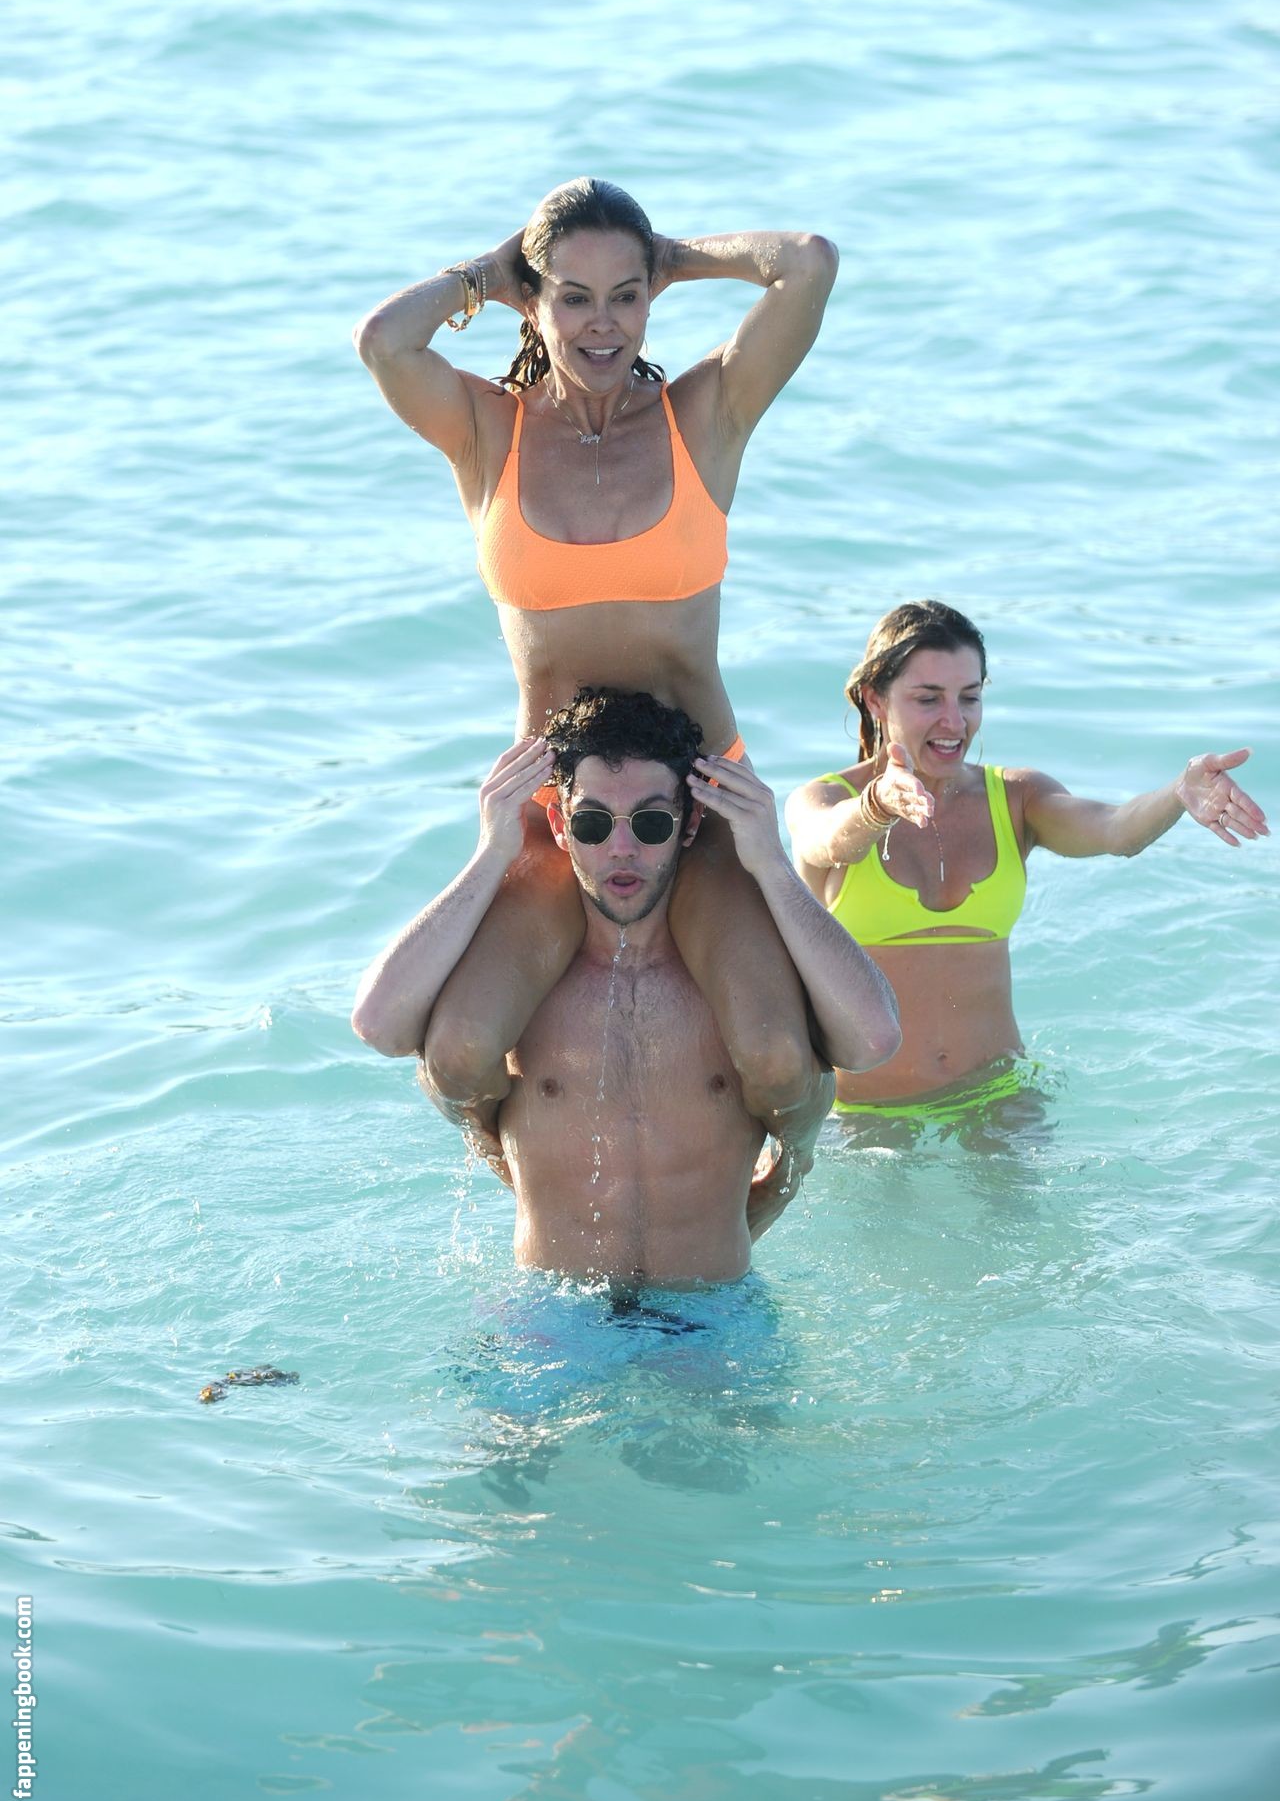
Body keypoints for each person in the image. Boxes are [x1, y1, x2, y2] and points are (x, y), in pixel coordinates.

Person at [353, 178, 840, 1167]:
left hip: (701, 795)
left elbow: (807, 263)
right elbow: (384, 342)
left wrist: (674, 257)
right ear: (533, 302)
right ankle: (524, 1181)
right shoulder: (487, 431)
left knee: (779, 1061)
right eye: (573, 297)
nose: (603, 323)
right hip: (554, 804)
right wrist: (483, 275)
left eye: (626, 295)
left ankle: (776, 1183)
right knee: (458, 1057)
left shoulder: (704, 415)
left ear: (651, 297)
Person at [352, 689, 901, 1286]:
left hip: (713, 1309)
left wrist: (770, 861)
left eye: (651, 823)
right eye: (591, 823)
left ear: (689, 825)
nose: (622, 849)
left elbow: (874, 1038)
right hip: (554, 1309)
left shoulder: (737, 990)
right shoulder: (519, 992)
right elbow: (378, 1022)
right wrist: (492, 852)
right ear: (559, 826)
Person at [786, 600, 1269, 1121]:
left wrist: (1177, 791)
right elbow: (827, 841)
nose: (955, 721)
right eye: (928, 699)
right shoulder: (824, 799)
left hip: (999, 1097)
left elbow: (1114, 829)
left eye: (970, 697)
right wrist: (878, 806)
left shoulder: (1016, 798)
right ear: (876, 699)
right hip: (866, 1115)